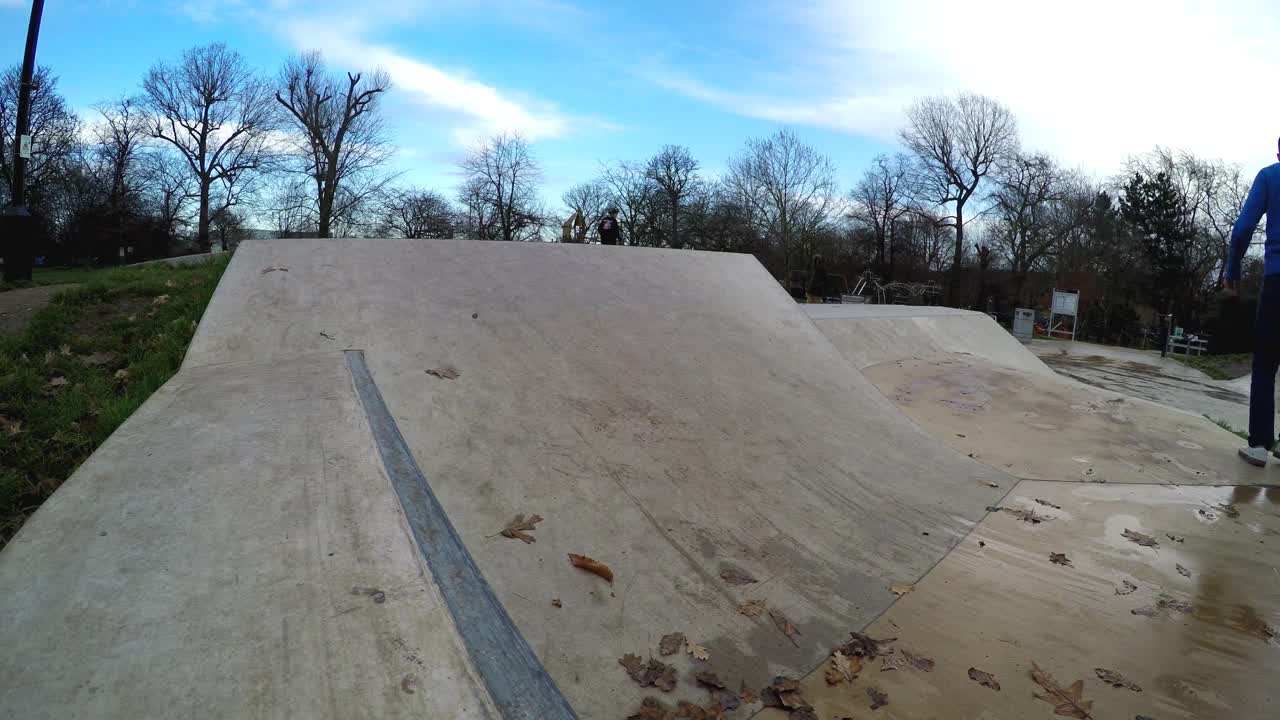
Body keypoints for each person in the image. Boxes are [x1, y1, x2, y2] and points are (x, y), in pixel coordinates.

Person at [1224, 137, 1280, 466]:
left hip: (1277, 281)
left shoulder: (1269, 176)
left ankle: (1258, 445)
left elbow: (1244, 228)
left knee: (1264, 364)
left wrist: (1232, 268)